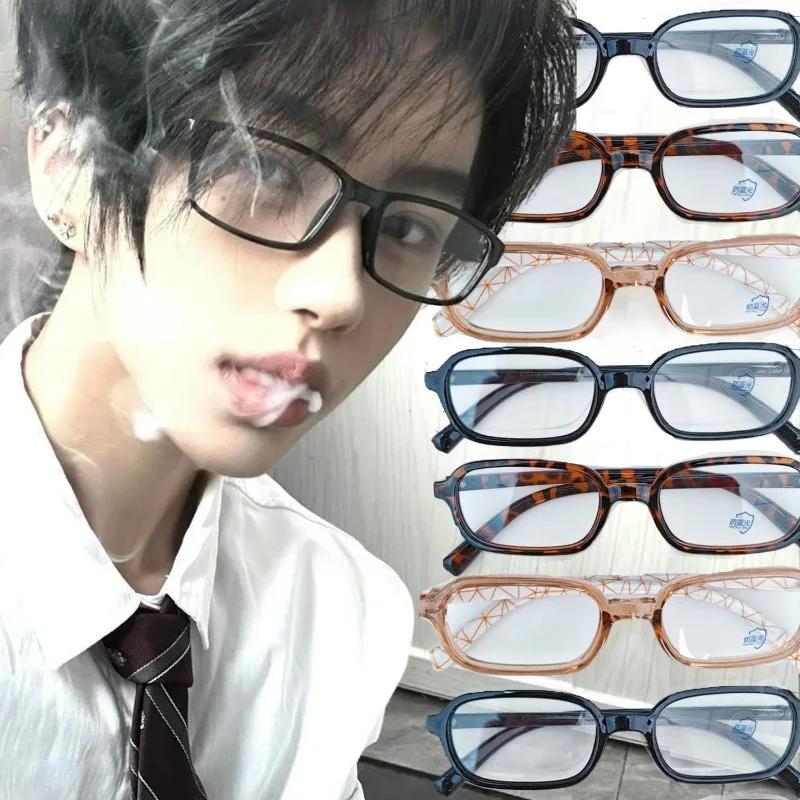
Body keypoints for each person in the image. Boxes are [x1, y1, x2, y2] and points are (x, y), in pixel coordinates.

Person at [0, 1, 575, 798]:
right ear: (69, 163)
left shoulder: (346, 613)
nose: (341, 295)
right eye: (263, 167)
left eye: (410, 228)